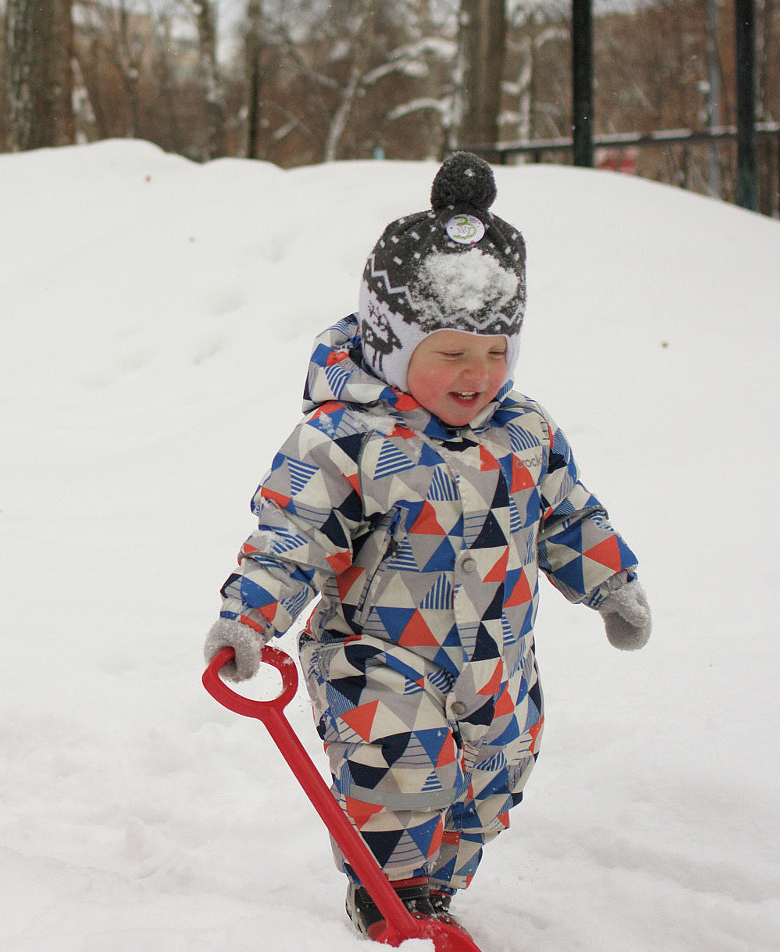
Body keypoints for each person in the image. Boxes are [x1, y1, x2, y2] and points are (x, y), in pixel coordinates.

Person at [203, 152, 648, 938]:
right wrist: (250, 617)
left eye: (496, 352)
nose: (478, 374)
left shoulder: (523, 429)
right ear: (390, 342)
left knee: (493, 778)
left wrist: (611, 584)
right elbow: (290, 536)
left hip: (498, 657)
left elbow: (568, 512)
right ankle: (387, 890)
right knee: (405, 775)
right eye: (450, 354)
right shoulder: (347, 439)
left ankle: (435, 890)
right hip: (382, 656)